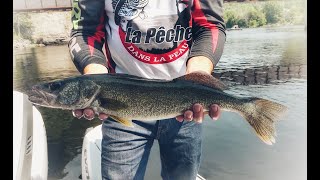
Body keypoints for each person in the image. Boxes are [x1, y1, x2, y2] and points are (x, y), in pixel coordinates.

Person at [68, 0, 226, 179]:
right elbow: (84, 31)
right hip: (121, 108)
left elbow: (210, 26)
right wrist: (96, 83)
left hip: (185, 103)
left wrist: (198, 77)